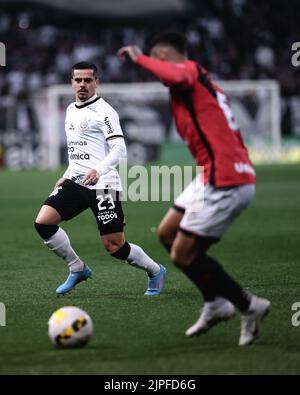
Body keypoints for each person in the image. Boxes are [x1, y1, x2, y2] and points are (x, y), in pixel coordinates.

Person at [117, 32, 271, 346]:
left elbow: (175, 72)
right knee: (166, 233)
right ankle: (215, 304)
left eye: (156, 61)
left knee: (182, 254)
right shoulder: (199, 82)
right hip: (211, 175)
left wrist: (138, 58)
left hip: (226, 180)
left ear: (162, 56)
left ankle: (248, 306)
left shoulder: (187, 71)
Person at [34, 61, 166, 297]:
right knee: (44, 222)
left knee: (114, 246)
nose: (82, 84)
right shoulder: (71, 110)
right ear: (71, 82)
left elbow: (119, 149)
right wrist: (65, 176)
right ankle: (77, 268)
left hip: (104, 185)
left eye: (88, 80)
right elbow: (78, 149)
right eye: (78, 80)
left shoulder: (105, 112)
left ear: (97, 82)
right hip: (76, 181)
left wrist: (99, 170)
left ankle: (155, 271)